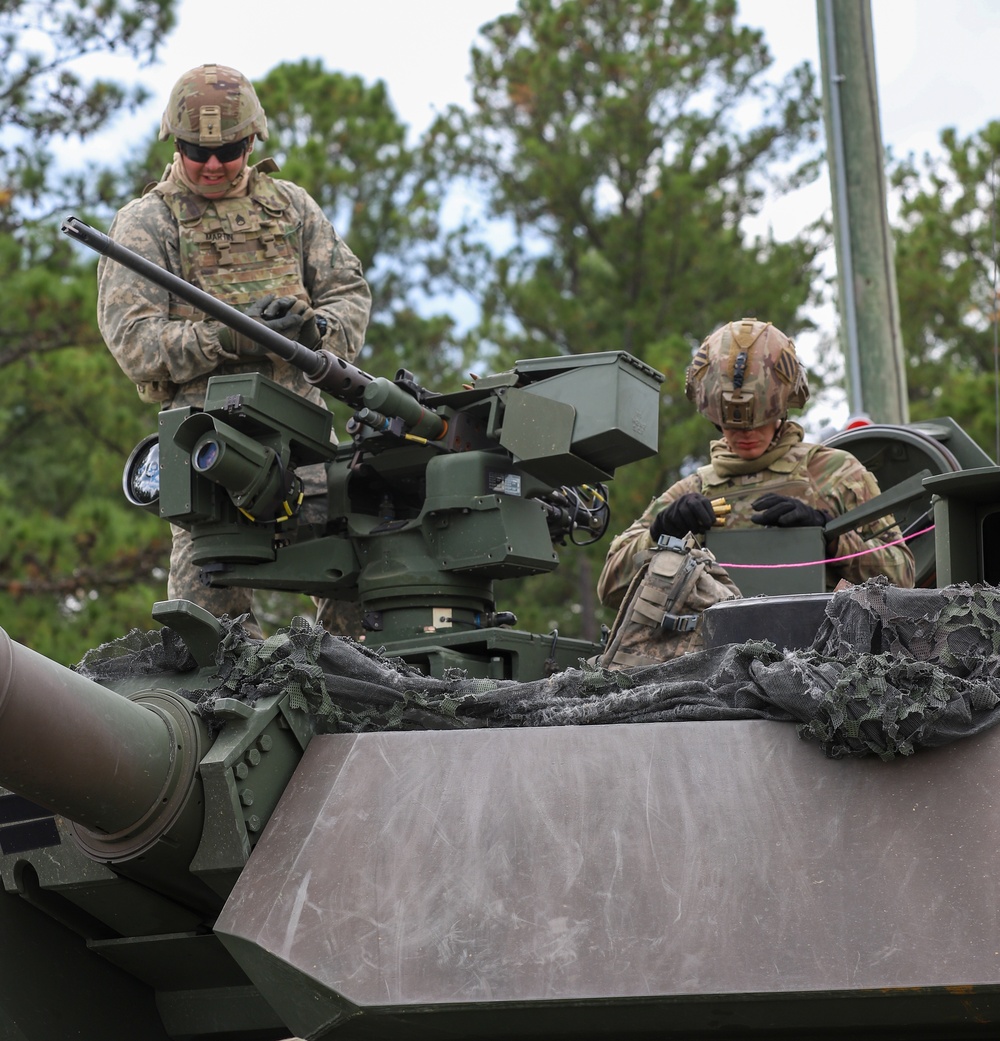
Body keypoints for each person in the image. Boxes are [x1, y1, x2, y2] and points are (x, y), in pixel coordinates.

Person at [97, 63, 371, 636]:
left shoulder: (292, 208)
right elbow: (135, 343)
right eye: (198, 151)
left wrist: (313, 332)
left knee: (365, 601)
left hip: (307, 450)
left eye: (231, 150)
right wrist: (224, 338)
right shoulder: (146, 224)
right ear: (175, 143)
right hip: (207, 456)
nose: (215, 165)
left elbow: (349, 294)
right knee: (209, 646)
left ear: (254, 141)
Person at [597, 317, 916, 609]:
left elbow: (904, 578)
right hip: (712, 659)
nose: (746, 434)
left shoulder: (837, 474)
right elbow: (610, 587)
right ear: (716, 420)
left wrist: (830, 536)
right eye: (733, 426)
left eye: (758, 422)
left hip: (823, 656)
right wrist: (662, 532)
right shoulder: (695, 489)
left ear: (781, 409)